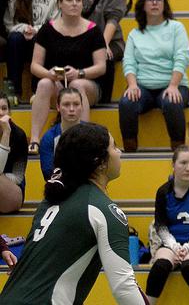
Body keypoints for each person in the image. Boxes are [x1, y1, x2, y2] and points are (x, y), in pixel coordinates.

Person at [0, 122, 148, 304]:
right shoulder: (104, 209)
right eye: (114, 146)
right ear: (99, 162)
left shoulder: (51, 201)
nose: (120, 152)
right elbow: (124, 288)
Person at [29, 0, 106, 153]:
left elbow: (101, 67)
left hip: (88, 85)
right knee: (43, 83)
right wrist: (49, 74)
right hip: (57, 85)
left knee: (77, 85)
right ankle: (34, 139)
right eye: (69, 0)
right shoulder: (47, 29)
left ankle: (82, 139)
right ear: (59, 4)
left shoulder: (93, 30)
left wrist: (79, 73)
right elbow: (35, 66)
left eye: (78, 0)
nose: (74, 4)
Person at [119, 0, 189, 152]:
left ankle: (178, 149)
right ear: (143, 5)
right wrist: (132, 85)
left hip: (173, 85)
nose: (154, 3)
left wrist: (173, 85)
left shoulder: (176, 27)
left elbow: (182, 57)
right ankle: (130, 149)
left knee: (172, 101)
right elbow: (129, 61)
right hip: (142, 87)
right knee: (126, 102)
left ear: (164, 4)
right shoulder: (134, 34)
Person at [146, 145, 189, 305]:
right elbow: (161, 226)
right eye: (183, 163)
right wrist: (175, 247)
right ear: (173, 164)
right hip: (171, 244)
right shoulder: (163, 192)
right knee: (160, 266)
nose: (188, 168)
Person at [68, 0, 129, 101]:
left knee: (105, 56)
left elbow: (113, 17)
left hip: (111, 40)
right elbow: (70, 16)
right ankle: (71, 98)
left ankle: (104, 100)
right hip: (82, 39)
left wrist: (103, 43)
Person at [4, 0, 60, 100]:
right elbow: (9, 23)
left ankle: (37, 92)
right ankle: (13, 92)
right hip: (21, 37)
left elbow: (56, 22)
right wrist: (24, 29)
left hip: (45, 37)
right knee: (14, 39)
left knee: (39, 40)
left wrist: (36, 30)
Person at [38, 87, 85, 180]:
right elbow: (48, 174)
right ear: (58, 107)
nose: (71, 109)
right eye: (66, 104)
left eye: (76, 104)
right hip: (61, 189)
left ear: (82, 106)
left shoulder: (94, 135)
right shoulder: (49, 138)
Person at [0, 97, 28, 214]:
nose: (0, 113)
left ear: (10, 112)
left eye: (4, 108)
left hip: (12, 190)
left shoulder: (19, 135)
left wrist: (6, 133)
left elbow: (18, 176)